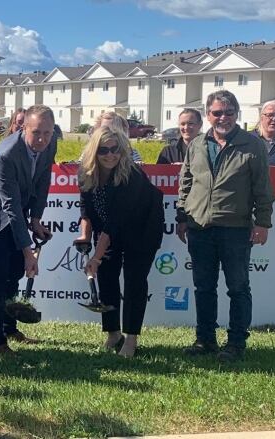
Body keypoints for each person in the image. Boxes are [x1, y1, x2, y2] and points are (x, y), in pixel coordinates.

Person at [177, 90, 275, 362]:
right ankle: (205, 339)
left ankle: (236, 343)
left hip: (235, 228)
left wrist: (263, 223)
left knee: (238, 287)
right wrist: (182, 217)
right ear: (208, 115)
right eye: (217, 112)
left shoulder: (251, 145)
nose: (223, 117)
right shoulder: (197, 143)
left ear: (237, 114)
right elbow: (186, 182)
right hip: (200, 227)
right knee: (203, 287)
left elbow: (263, 188)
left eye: (229, 112)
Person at [0, 104, 56, 354]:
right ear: (23, 127)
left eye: (47, 133)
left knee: (15, 269)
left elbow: (43, 180)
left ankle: (9, 327)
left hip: (14, 205)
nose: (42, 139)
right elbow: (11, 207)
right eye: (36, 132)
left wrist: (36, 218)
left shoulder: (51, 141)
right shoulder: (5, 155)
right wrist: (28, 252)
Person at [75, 126, 164, 358]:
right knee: (106, 276)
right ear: (94, 151)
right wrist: (85, 236)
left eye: (115, 149)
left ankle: (131, 338)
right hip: (109, 229)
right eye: (103, 150)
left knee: (134, 280)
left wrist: (95, 257)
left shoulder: (131, 174)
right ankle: (113, 333)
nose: (110, 155)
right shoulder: (86, 173)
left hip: (142, 230)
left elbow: (116, 222)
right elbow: (86, 209)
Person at [250, 100, 275, 317]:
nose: (274, 119)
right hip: (246, 216)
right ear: (261, 116)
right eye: (269, 115)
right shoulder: (246, 141)